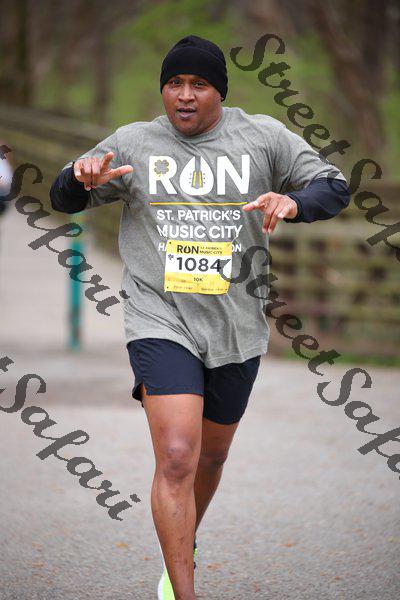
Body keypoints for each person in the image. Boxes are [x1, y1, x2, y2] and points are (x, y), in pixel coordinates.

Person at [50, 34, 350, 600]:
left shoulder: (262, 137)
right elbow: (65, 195)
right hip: (158, 315)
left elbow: (334, 186)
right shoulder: (134, 142)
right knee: (178, 455)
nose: (185, 96)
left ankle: (180, 549)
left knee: (211, 456)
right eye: (174, 83)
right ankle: (184, 592)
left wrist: (294, 201)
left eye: (199, 84)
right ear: (163, 89)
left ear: (220, 92)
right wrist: (77, 177)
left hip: (236, 323)